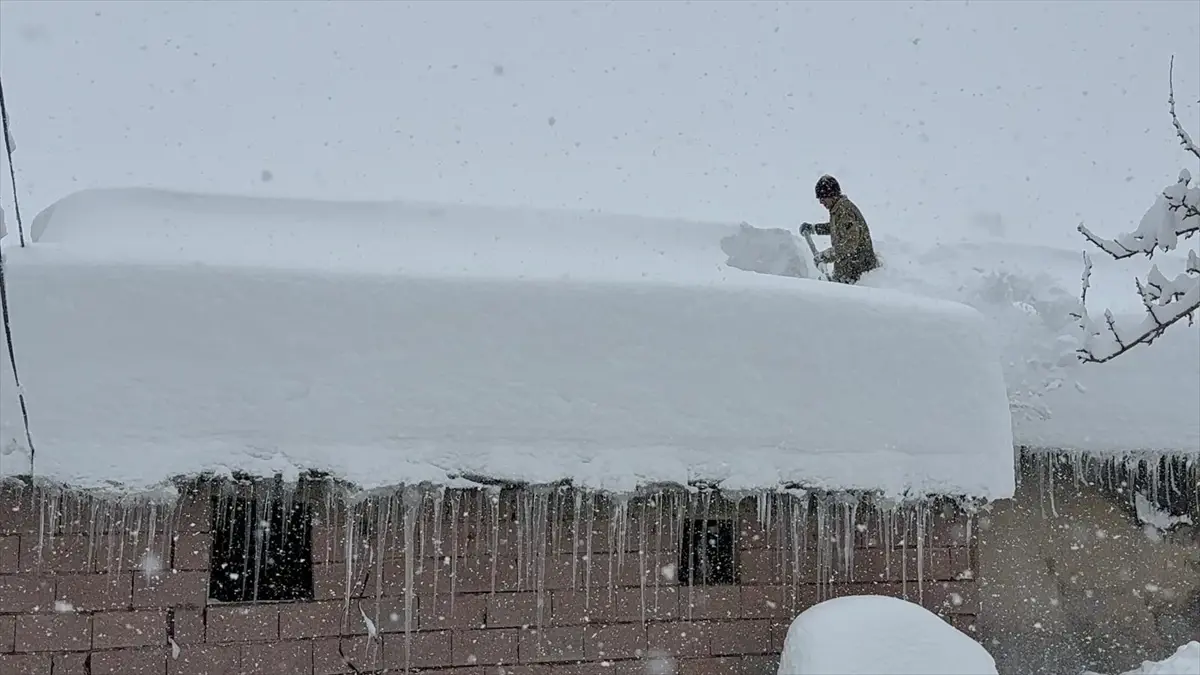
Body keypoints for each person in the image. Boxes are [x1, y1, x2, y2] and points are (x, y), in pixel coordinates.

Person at [799, 175, 879, 284]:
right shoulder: (838, 209)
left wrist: (824, 256)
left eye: (823, 198)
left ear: (832, 195)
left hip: (857, 274)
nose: (821, 202)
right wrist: (814, 228)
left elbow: (849, 245)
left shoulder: (845, 211)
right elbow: (836, 227)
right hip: (848, 271)